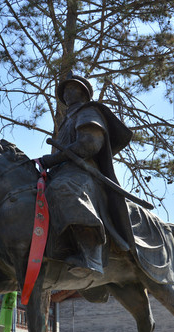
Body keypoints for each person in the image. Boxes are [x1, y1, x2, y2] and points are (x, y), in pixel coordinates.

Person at [39, 74, 133, 278]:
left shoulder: (88, 112)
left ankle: (91, 257)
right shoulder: (66, 121)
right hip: (61, 171)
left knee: (64, 190)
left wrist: (52, 160)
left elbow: (89, 143)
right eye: (65, 90)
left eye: (72, 88)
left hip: (81, 173)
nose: (67, 93)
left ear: (83, 93)